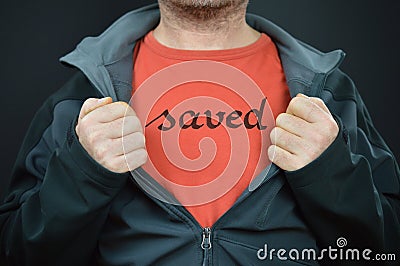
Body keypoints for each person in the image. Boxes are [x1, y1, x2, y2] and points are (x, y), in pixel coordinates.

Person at [0, 1, 399, 265]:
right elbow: (17, 253)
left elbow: (383, 251)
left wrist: (330, 173)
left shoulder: (327, 92)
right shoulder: (82, 98)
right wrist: (82, 174)